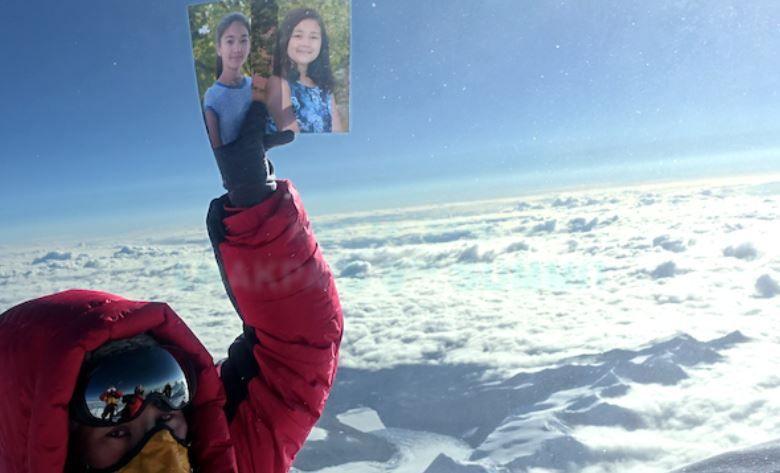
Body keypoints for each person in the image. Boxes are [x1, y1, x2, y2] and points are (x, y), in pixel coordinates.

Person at [0, 102, 343, 472]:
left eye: (168, 416)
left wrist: (253, 194)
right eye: (116, 433)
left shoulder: (220, 458)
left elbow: (298, 347)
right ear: (58, 441)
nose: (162, 450)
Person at [266, 8, 344, 133]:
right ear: (285, 40)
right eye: (298, 35)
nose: (306, 43)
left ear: (321, 44)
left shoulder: (325, 91)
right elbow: (292, 139)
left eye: (313, 37)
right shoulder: (278, 84)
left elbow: (338, 139)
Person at [203, 12, 255, 148]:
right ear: (219, 48)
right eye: (230, 41)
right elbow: (217, 150)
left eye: (243, 40)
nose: (237, 49)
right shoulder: (213, 97)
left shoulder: (256, 86)